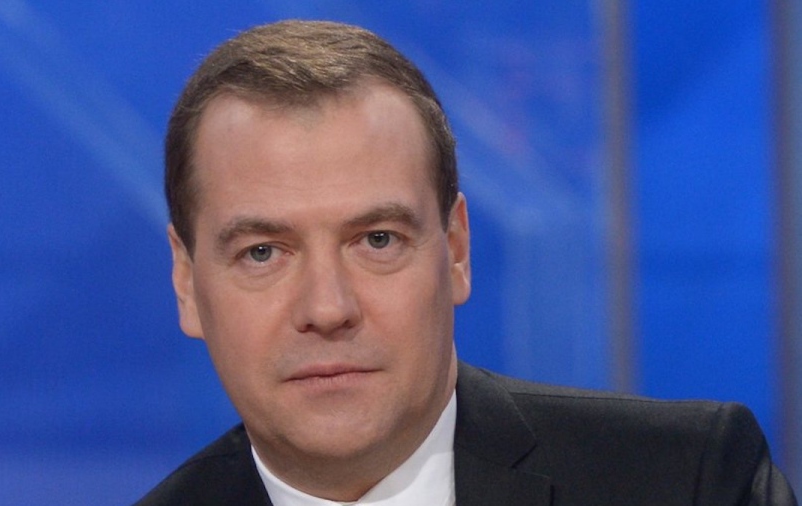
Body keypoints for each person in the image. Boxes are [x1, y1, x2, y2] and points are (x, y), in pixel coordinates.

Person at [135, 19, 797, 505]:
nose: (328, 308)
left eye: (377, 240)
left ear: (455, 250)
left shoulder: (689, 481)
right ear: (187, 283)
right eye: (262, 253)